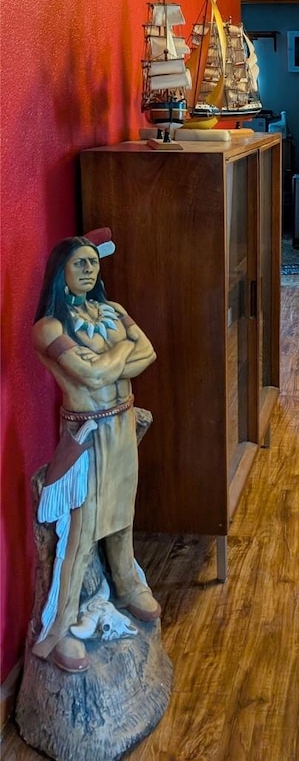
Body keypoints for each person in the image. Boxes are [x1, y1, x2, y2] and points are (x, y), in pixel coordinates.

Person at [31, 229, 161, 674]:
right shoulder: (50, 328)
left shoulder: (112, 311)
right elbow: (89, 377)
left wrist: (113, 358)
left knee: (123, 513)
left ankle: (126, 581)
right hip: (86, 435)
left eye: (93, 262)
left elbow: (149, 353)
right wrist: (122, 351)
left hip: (123, 424)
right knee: (80, 534)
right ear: (60, 273)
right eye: (79, 263)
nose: (89, 270)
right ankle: (59, 627)